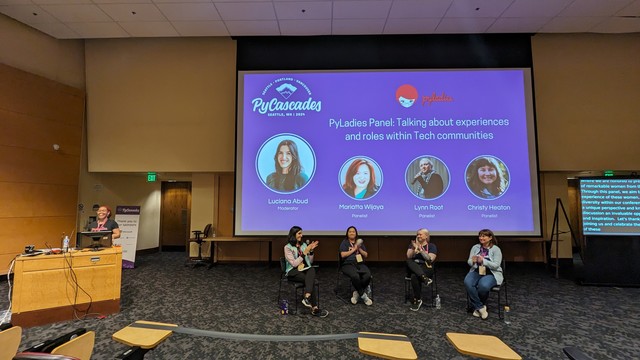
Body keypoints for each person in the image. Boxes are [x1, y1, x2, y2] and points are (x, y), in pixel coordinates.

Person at [283, 226, 329, 317]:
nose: (301, 235)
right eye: (299, 233)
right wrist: (304, 253)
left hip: (304, 269)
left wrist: (311, 251)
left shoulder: (303, 245)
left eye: (301, 233)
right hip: (293, 271)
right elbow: (294, 264)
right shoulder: (287, 247)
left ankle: (307, 296)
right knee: (310, 281)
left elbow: (310, 262)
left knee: (312, 269)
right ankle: (314, 308)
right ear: (293, 234)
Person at [464, 229, 503, 320]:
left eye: (484, 236)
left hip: (491, 272)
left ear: (490, 238)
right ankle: (481, 307)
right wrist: (472, 262)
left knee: (483, 286)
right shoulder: (475, 247)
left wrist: (484, 261)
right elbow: (469, 261)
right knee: (467, 282)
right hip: (477, 270)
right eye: (480, 236)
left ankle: (477, 307)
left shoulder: (496, 249)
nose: (481, 238)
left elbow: (496, 265)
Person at [339, 226, 373, 306]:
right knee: (355, 276)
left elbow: (366, 255)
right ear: (347, 233)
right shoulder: (344, 242)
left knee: (367, 275)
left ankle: (357, 293)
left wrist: (359, 248)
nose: (352, 233)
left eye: (353, 231)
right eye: (350, 231)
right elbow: (343, 255)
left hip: (359, 263)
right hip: (347, 264)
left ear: (356, 233)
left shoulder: (359, 243)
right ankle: (364, 296)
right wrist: (354, 250)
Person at [406, 228, 437, 311]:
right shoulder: (412, 245)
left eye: (420, 234)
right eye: (417, 234)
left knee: (414, 276)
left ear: (426, 236)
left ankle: (417, 300)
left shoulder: (431, 246)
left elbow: (430, 259)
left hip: (426, 267)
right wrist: (414, 247)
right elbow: (409, 256)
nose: (418, 236)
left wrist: (420, 249)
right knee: (409, 261)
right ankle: (424, 278)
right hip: (414, 266)